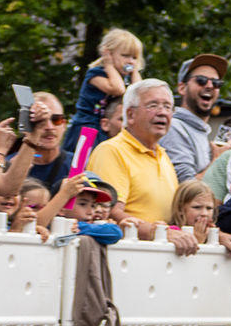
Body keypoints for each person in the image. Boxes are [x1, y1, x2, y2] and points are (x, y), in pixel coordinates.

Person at [85, 79, 209, 253]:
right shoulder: (112, 151)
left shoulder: (163, 155)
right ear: (131, 114)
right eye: (153, 105)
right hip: (128, 256)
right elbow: (109, 211)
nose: (162, 113)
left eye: (167, 107)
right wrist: (160, 233)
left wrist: (215, 235)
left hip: (159, 257)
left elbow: (177, 217)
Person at [63, 27, 143, 159]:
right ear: (108, 54)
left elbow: (138, 91)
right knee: (81, 162)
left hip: (104, 128)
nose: (130, 61)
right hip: (87, 126)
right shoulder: (96, 73)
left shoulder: (123, 78)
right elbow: (118, 89)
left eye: (134, 57)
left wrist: (135, 71)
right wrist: (109, 65)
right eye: (125, 56)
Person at [160, 54, 230, 184]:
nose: (209, 86)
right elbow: (186, 187)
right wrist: (219, 159)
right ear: (182, 88)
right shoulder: (174, 128)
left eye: (216, 83)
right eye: (201, 80)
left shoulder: (200, 131)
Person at [0, 92, 74, 202]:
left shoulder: (78, 164)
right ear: (25, 126)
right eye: (40, 121)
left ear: (64, 124)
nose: (48, 127)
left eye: (56, 120)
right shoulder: (6, 164)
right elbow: (7, 191)